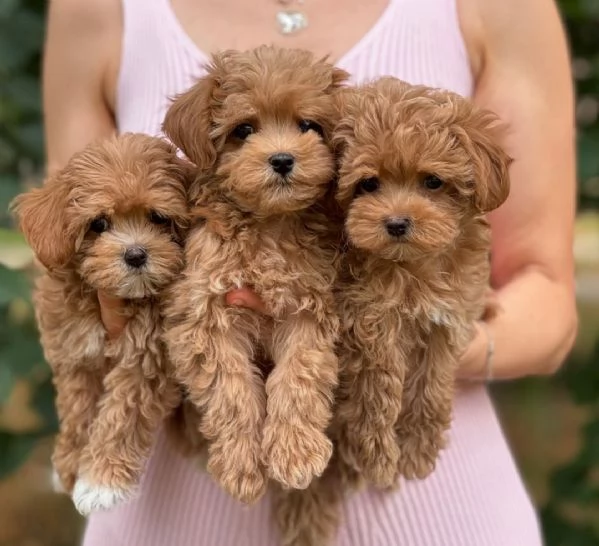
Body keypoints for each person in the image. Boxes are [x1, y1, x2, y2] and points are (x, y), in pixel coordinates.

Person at [44, 0, 577, 544]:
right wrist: (185, 332)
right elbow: (74, 241)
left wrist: (414, 349)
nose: (280, 149)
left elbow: (548, 293)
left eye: (308, 126)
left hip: (438, 504)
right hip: (171, 507)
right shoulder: (96, 10)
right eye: (245, 129)